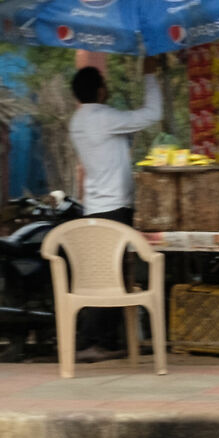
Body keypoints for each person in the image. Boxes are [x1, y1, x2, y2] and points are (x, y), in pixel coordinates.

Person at [67, 59, 164, 361]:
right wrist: (149, 76)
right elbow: (152, 114)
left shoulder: (79, 121)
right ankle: (89, 343)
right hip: (114, 209)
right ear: (99, 90)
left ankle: (102, 341)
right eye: (105, 85)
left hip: (95, 207)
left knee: (102, 275)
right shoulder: (103, 117)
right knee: (110, 278)